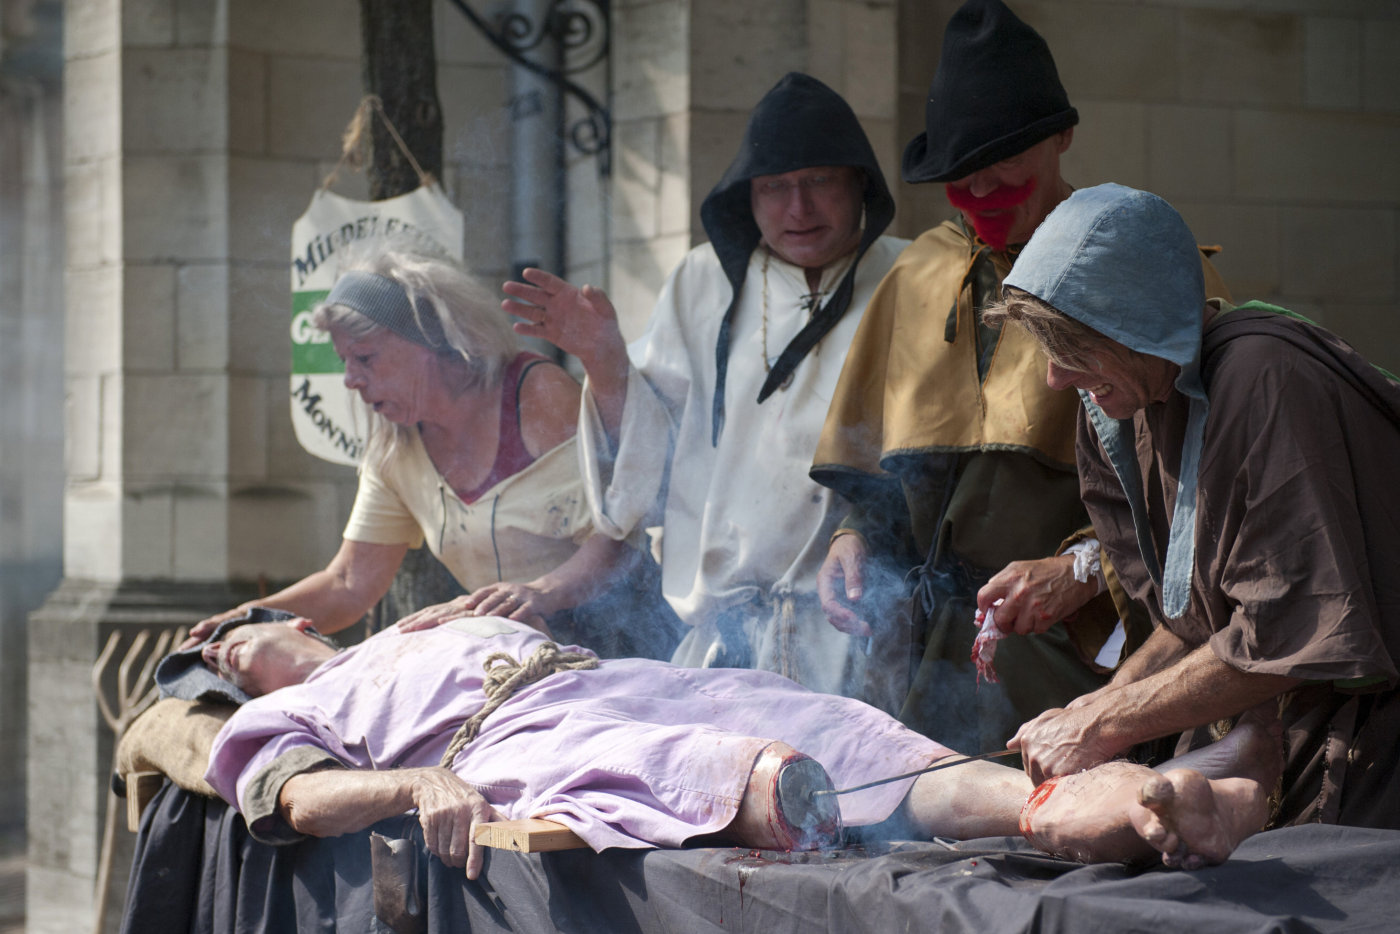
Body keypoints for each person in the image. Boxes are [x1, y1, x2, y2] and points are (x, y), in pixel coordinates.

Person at [810, 0, 1231, 742]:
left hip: (1074, 659)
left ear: (1063, 136)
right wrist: (852, 538)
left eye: (1005, 163)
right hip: (913, 660)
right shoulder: (915, 273)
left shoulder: (1137, 267)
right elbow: (875, 475)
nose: (984, 196)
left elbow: (1201, 496)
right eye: (963, 175)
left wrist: (1079, 572)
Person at [200, 614, 1282, 881]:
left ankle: (1140, 794)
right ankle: (1146, 808)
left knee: (848, 732)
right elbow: (288, 802)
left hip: (611, 673)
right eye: (241, 651)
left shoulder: (413, 621)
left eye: (262, 629)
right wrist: (412, 781)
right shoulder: (294, 710)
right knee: (749, 772)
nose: (261, 648)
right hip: (518, 739)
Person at [985, 182, 1400, 830]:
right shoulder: (1116, 406)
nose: (1054, 378)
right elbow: (1193, 618)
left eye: (1071, 346)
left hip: (1371, 740)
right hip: (1274, 725)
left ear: (1139, 323)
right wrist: (1099, 709)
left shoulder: (1264, 380)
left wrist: (1105, 721)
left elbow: (1282, 635)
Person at [501, 73, 908, 697]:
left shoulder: (911, 276)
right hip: (726, 644)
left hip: (858, 635)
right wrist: (606, 361)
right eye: (774, 188)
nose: (797, 208)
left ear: (861, 182)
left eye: (819, 181)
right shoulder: (702, 282)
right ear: (746, 197)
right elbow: (648, 480)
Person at [183, 247, 671, 658]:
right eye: (345, 362)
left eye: (365, 357)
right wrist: (238, 621)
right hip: (518, 660)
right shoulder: (395, 448)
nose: (351, 380)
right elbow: (350, 582)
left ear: (431, 340)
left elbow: (620, 537)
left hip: (630, 648)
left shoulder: (534, 394)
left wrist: (541, 594)